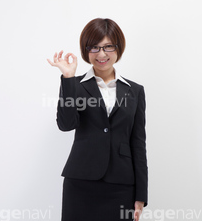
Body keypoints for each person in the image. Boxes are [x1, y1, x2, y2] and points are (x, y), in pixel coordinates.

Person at [47, 18, 148, 221]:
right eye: (94, 47)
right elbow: (66, 125)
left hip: (121, 185)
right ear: (86, 51)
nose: (101, 54)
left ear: (119, 48)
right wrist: (68, 79)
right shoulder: (74, 84)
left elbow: (138, 143)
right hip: (81, 183)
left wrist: (141, 195)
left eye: (108, 46)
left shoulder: (135, 91)